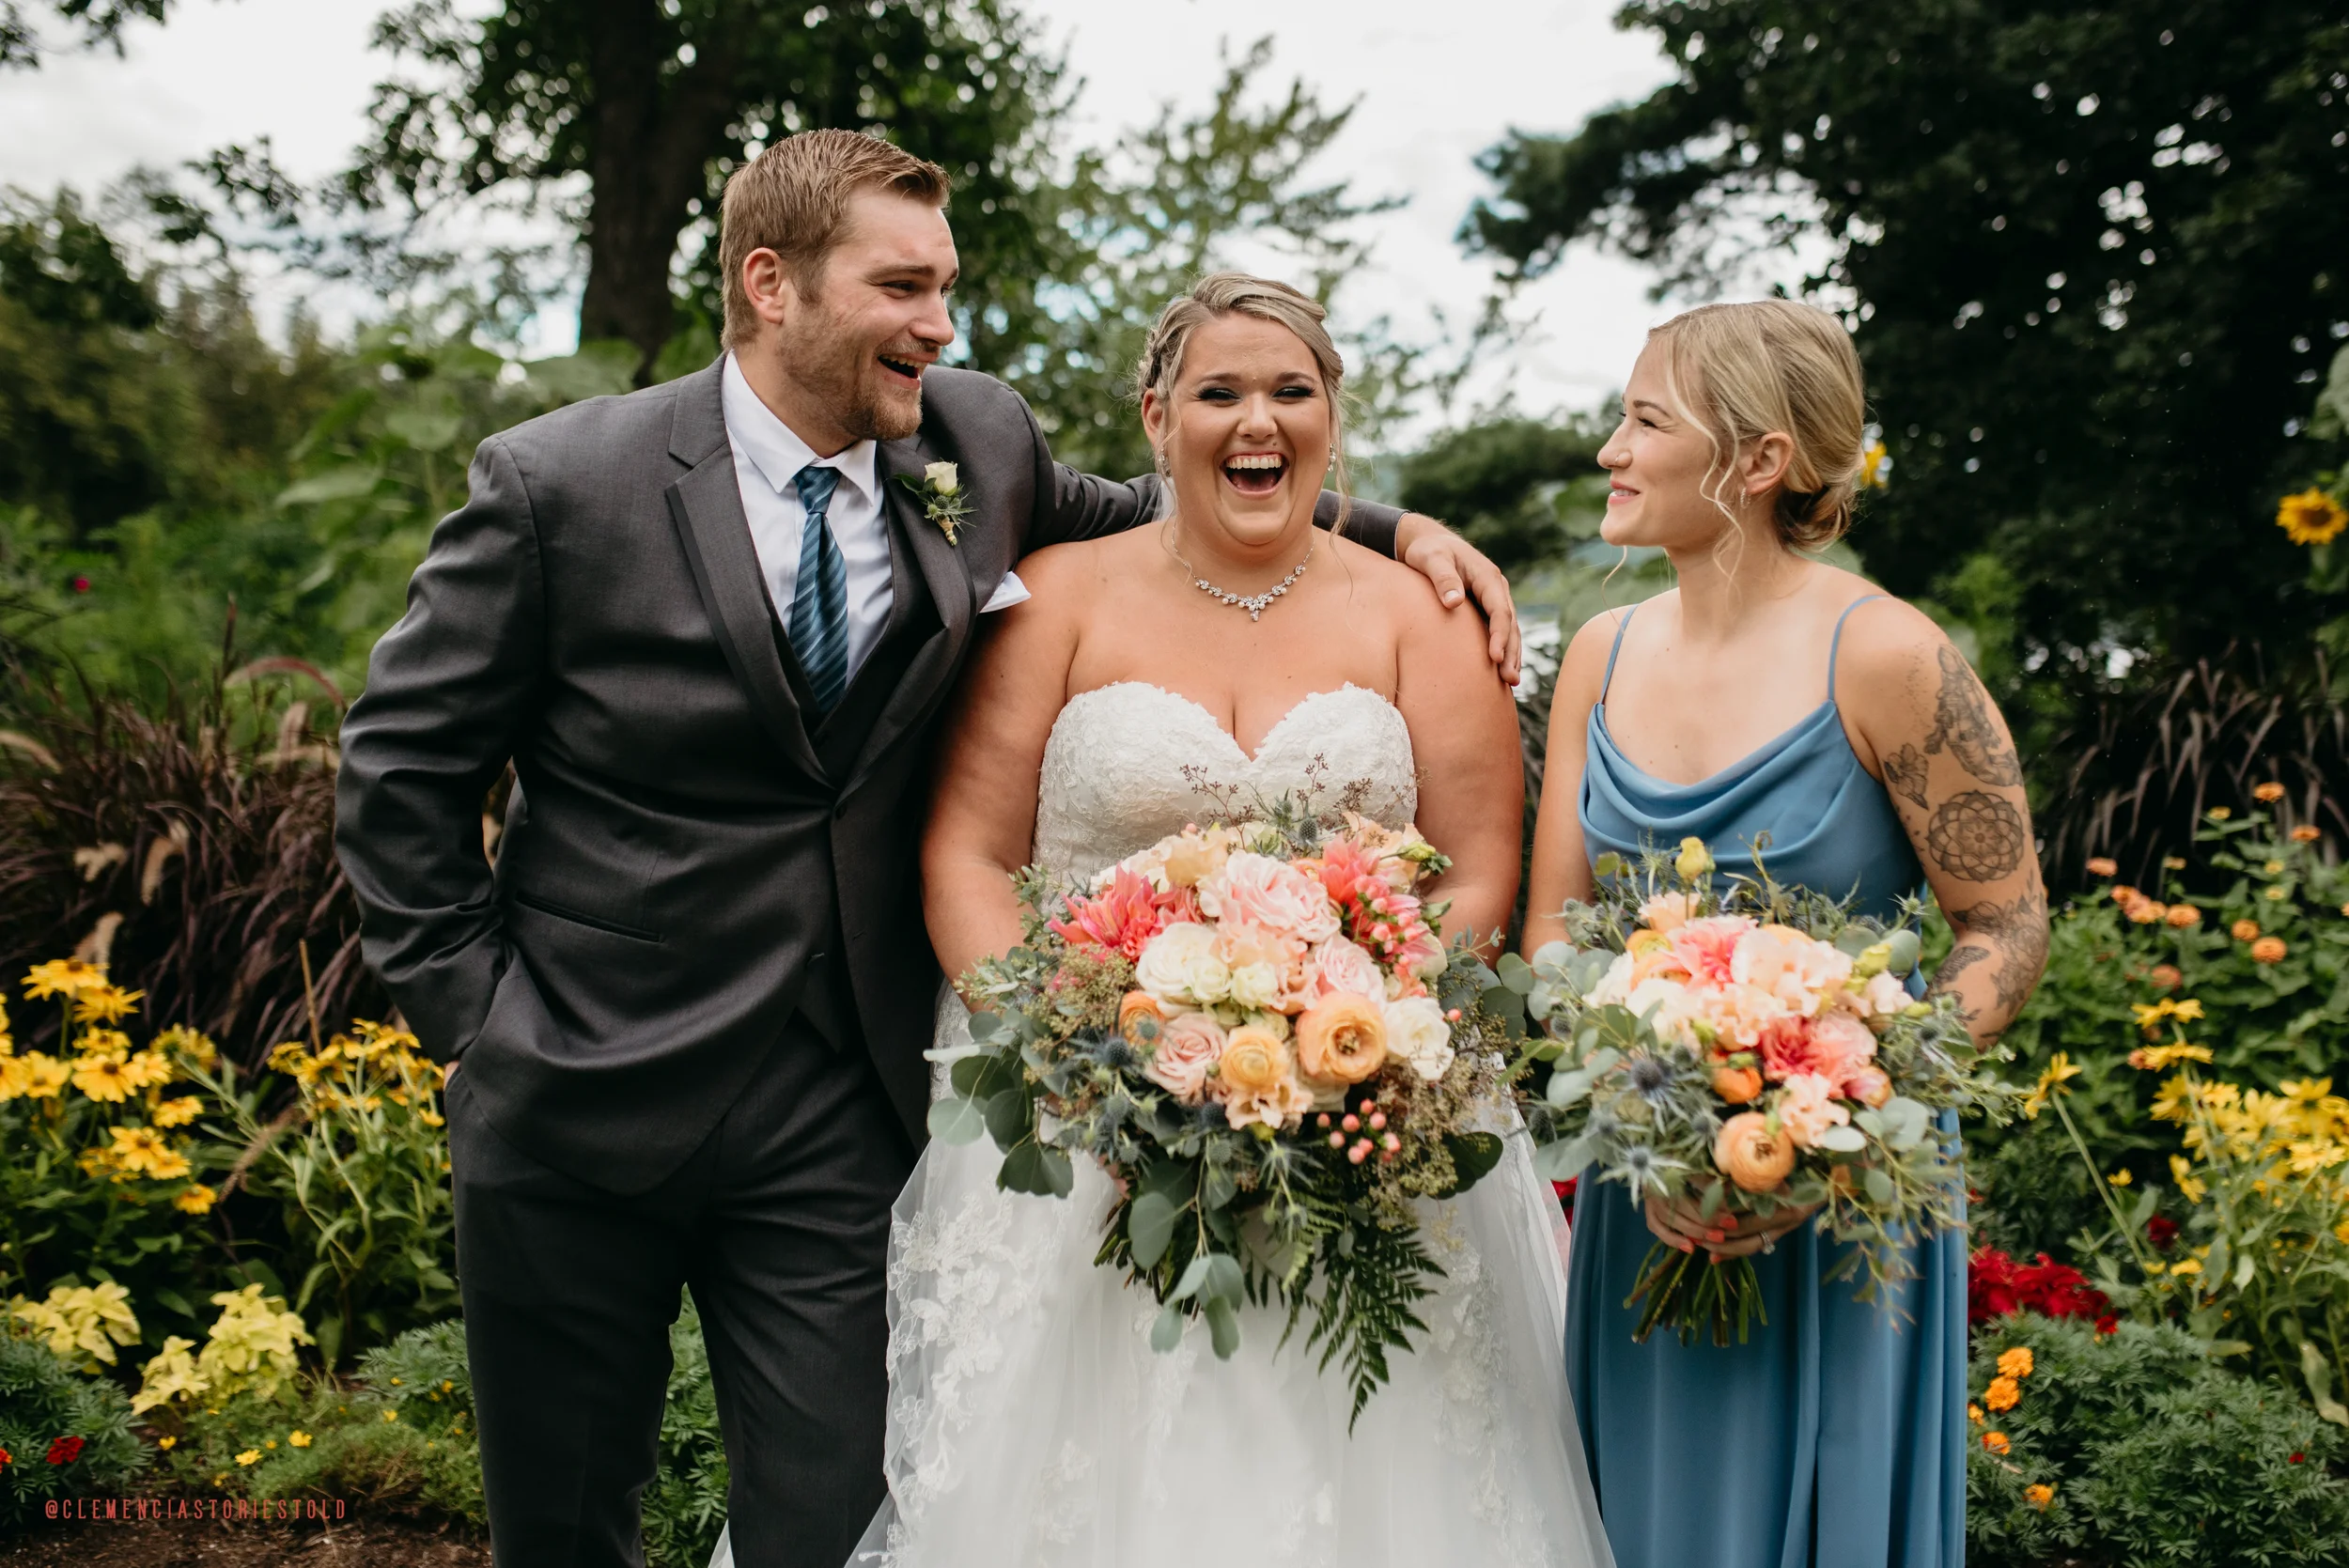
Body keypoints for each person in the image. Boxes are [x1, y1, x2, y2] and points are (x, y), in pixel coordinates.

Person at [334, 131, 1517, 1568]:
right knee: (567, 1522)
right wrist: (482, 1031)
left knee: (838, 1527)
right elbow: (401, 769)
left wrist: (1397, 526)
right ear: (772, 285)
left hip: (836, 1100)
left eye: (945, 287)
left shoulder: (972, 440)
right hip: (577, 1088)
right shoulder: (559, 486)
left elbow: (1172, 509)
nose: (941, 325)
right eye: (905, 288)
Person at [750, 272, 1612, 1568]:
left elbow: (1476, 871)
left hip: (1373, 1114)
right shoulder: (1058, 597)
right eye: (1219, 392)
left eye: (1289, 391)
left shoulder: (1413, 612)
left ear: (1331, 418)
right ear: (1158, 417)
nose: (1254, 421)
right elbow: (969, 858)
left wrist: (1363, 1032)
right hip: (1083, 1129)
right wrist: (1071, 1052)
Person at [1522, 299, 2048, 1568]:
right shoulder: (1601, 650)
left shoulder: (1891, 657)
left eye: (1645, 421)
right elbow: (1553, 921)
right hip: (1647, 1187)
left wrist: (1842, 1106)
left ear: (1758, 461)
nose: (1611, 449)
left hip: (1843, 1201)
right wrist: (1645, 1095)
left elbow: (2008, 922)